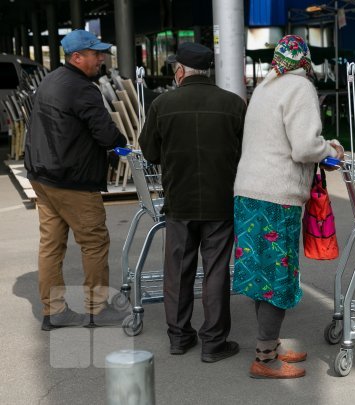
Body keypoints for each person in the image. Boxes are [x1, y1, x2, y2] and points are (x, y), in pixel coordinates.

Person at [232, 35, 343, 379]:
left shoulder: (265, 88)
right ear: (305, 62)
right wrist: (333, 149)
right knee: (277, 276)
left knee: (260, 273)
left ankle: (270, 346)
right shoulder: (300, 87)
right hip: (276, 197)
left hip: (249, 193)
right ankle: (265, 359)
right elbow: (305, 147)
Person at [139, 42, 246, 362]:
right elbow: (244, 151)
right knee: (215, 270)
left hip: (180, 202)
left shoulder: (162, 104)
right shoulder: (233, 104)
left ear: (181, 71)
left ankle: (179, 337)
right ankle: (214, 342)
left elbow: (150, 152)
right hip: (220, 202)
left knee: (178, 270)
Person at [24, 29, 129, 331]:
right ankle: (98, 309)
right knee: (94, 241)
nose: (101, 59)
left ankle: (54, 311)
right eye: (96, 54)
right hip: (72, 179)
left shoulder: (51, 79)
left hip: (43, 175)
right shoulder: (82, 88)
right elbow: (106, 134)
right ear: (77, 57)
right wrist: (120, 143)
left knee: (51, 245)